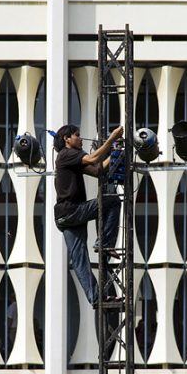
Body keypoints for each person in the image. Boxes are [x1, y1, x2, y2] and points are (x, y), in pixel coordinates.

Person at [53, 124, 124, 307]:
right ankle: (105, 243)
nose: (80, 138)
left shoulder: (70, 159)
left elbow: (98, 170)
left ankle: (96, 297)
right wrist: (112, 138)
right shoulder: (67, 154)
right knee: (113, 201)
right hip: (72, 211)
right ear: (66, 139)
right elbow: (93, 158)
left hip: (65, 217)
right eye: (77, 135)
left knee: (79, 260)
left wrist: (115, 154)